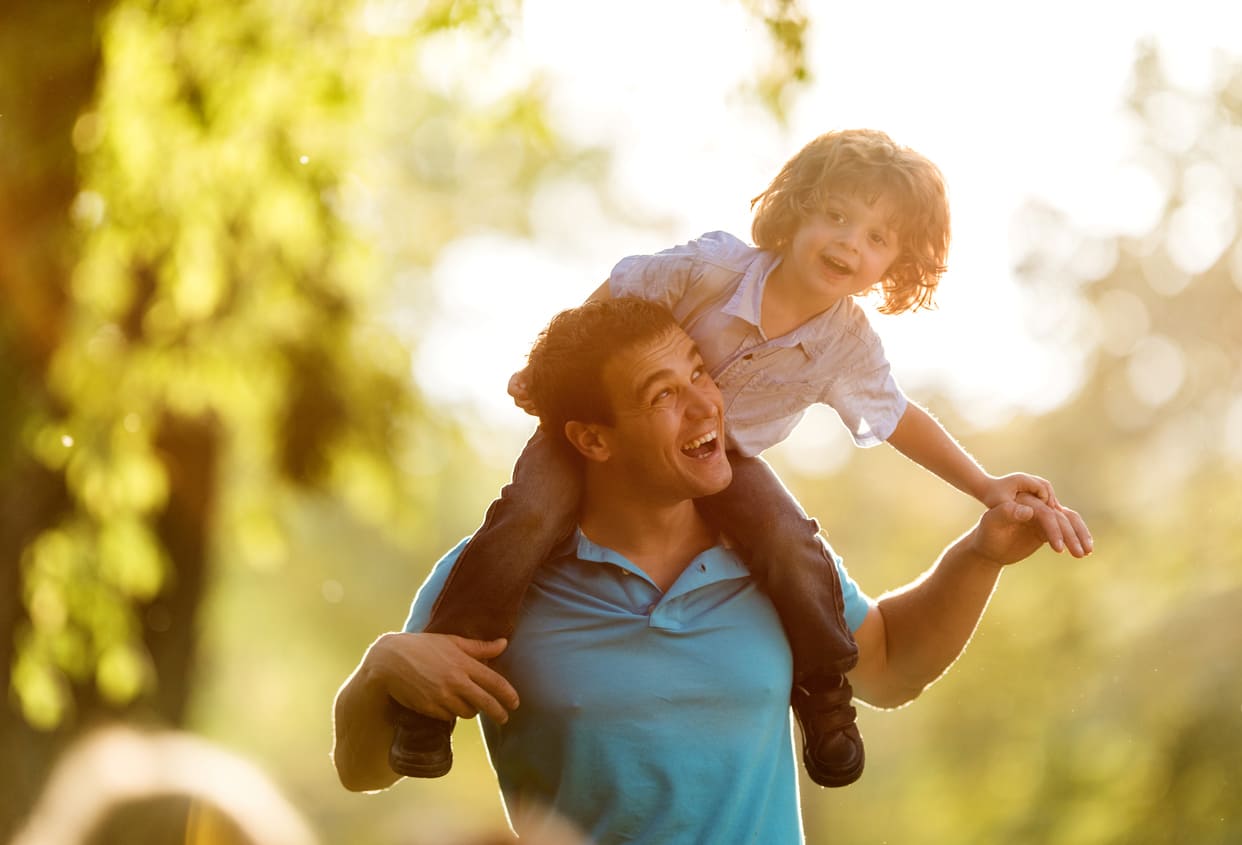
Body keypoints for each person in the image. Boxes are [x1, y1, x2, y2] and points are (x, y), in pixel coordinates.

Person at [391, 129, 1094, 788]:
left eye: (877, 236)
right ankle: (436, 690)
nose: (850, 242)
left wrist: (984, 485)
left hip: (716, 461)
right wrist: (548, 376)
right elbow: (611, 302)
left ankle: (822, 695)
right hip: (608, 431)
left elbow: (898, 417)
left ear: (896, 264)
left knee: (789, 540)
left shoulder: (846, 343)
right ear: (794, 212)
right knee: (527, 516)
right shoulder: (714, 268)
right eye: (837, 216)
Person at [333, 298, 1091, 844]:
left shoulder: (777, 559)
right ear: (592, 440)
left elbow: (890, 666)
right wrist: (379, 669)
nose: (706, 404)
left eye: (699, 372)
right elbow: (363, 770)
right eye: (663, 394)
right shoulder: (490, 582)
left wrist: (981, 553)